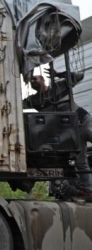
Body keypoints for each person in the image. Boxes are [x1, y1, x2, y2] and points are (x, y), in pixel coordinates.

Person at [24, 66, 92, 200]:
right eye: (31, 80)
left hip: (84, 121)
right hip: (73, 133)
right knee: (81, 162)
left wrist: (59, 74)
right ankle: (89, 191)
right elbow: (16, 103)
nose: (33, 81)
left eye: (35, 78)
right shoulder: (35, 100)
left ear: (44, 80)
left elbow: (79, 76)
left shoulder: (60, 86)